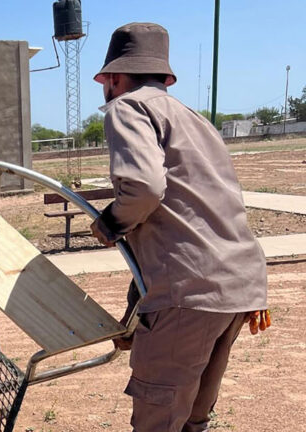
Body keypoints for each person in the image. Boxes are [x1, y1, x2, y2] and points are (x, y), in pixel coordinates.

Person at [89, 23, 269, 432]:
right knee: (192, 418)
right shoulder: (194, 119)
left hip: (189, 292)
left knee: (159, 419)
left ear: (113, 77)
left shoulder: (128, 107)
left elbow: (146, 188)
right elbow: (187, 211)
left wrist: (111, 222)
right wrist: (135, 311)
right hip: (238, 286)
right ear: (164, 76)